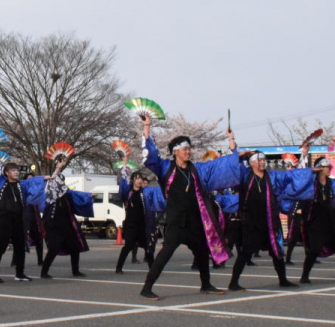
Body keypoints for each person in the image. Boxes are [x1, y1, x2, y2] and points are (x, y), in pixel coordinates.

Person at [138, 114, 240, 300]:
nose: (188, 152)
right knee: (165, 254)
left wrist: (232, 144)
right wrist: (147, 126)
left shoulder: (197, 169)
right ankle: (147, 288)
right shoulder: (165, 168)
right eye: (185, 149)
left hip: (195, 220)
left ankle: (206, 284)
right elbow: (151, 155)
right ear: (175, 151)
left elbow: (220, 165)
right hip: (176, 221)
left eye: (189, 149)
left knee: (201, 253)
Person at [228, 149, 315, 291]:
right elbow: (232, 166)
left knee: (276, 252)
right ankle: (233, 283)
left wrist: (311, 171)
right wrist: (241, 154)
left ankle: (283, 280)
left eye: (264, 160)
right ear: (252, 163)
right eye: (260, 160)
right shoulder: (245, 175)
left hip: (269, 222)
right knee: (245, 253)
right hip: (251, 223)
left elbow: (290, 175)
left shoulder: (272, 176)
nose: (263, 162)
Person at [0, 146, 44, 282]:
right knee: (0, 247)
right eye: (13, 170)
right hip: (4, 219)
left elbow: (32, 182)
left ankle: (20, 273)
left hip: (18, 219)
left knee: (20, 246)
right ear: (6, 173)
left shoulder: (21, 185)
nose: (16, 172)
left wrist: (47, 176)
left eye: (17, 170)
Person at [297, 157, 335, 283]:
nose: (329, 169)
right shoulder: (311, 185)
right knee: (314, 250)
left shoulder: (333, 184)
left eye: (330, 167)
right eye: (327, 167)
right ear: (320, 168)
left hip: (332, 222)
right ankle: (305, 275)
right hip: (316, 223)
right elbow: (300, 185)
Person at [38, 153, 94, 278]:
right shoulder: (51, 194)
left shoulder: (66, 194)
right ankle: (44, 272)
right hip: (53, 225)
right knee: (53, 248)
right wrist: (58, 168)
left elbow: (77, 194)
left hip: (67, 224)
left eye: (62, 181)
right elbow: (54, 179)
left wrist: (89, 196)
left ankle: (75, 270)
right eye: (59, 181)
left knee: (75, 247)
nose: (61, 183)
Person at [115, 164, 159, 274]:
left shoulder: (145, 192)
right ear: (132, 181)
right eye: (137, 178)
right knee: (128, 246)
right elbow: (123, 183)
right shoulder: (128, 193)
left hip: (143, 225)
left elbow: (157, 194)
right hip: (131, 224)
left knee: (148, 247)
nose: (139, 180)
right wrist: (124, 165)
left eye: (140, 178)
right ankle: (119, 268)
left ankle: (153, 269)